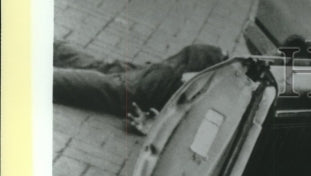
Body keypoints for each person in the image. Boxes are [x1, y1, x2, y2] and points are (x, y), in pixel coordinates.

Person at [52, 40, 226, 124]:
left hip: (194, 65)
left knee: (105, 69)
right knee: (114, 85)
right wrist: (154, 123)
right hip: (177, 83)